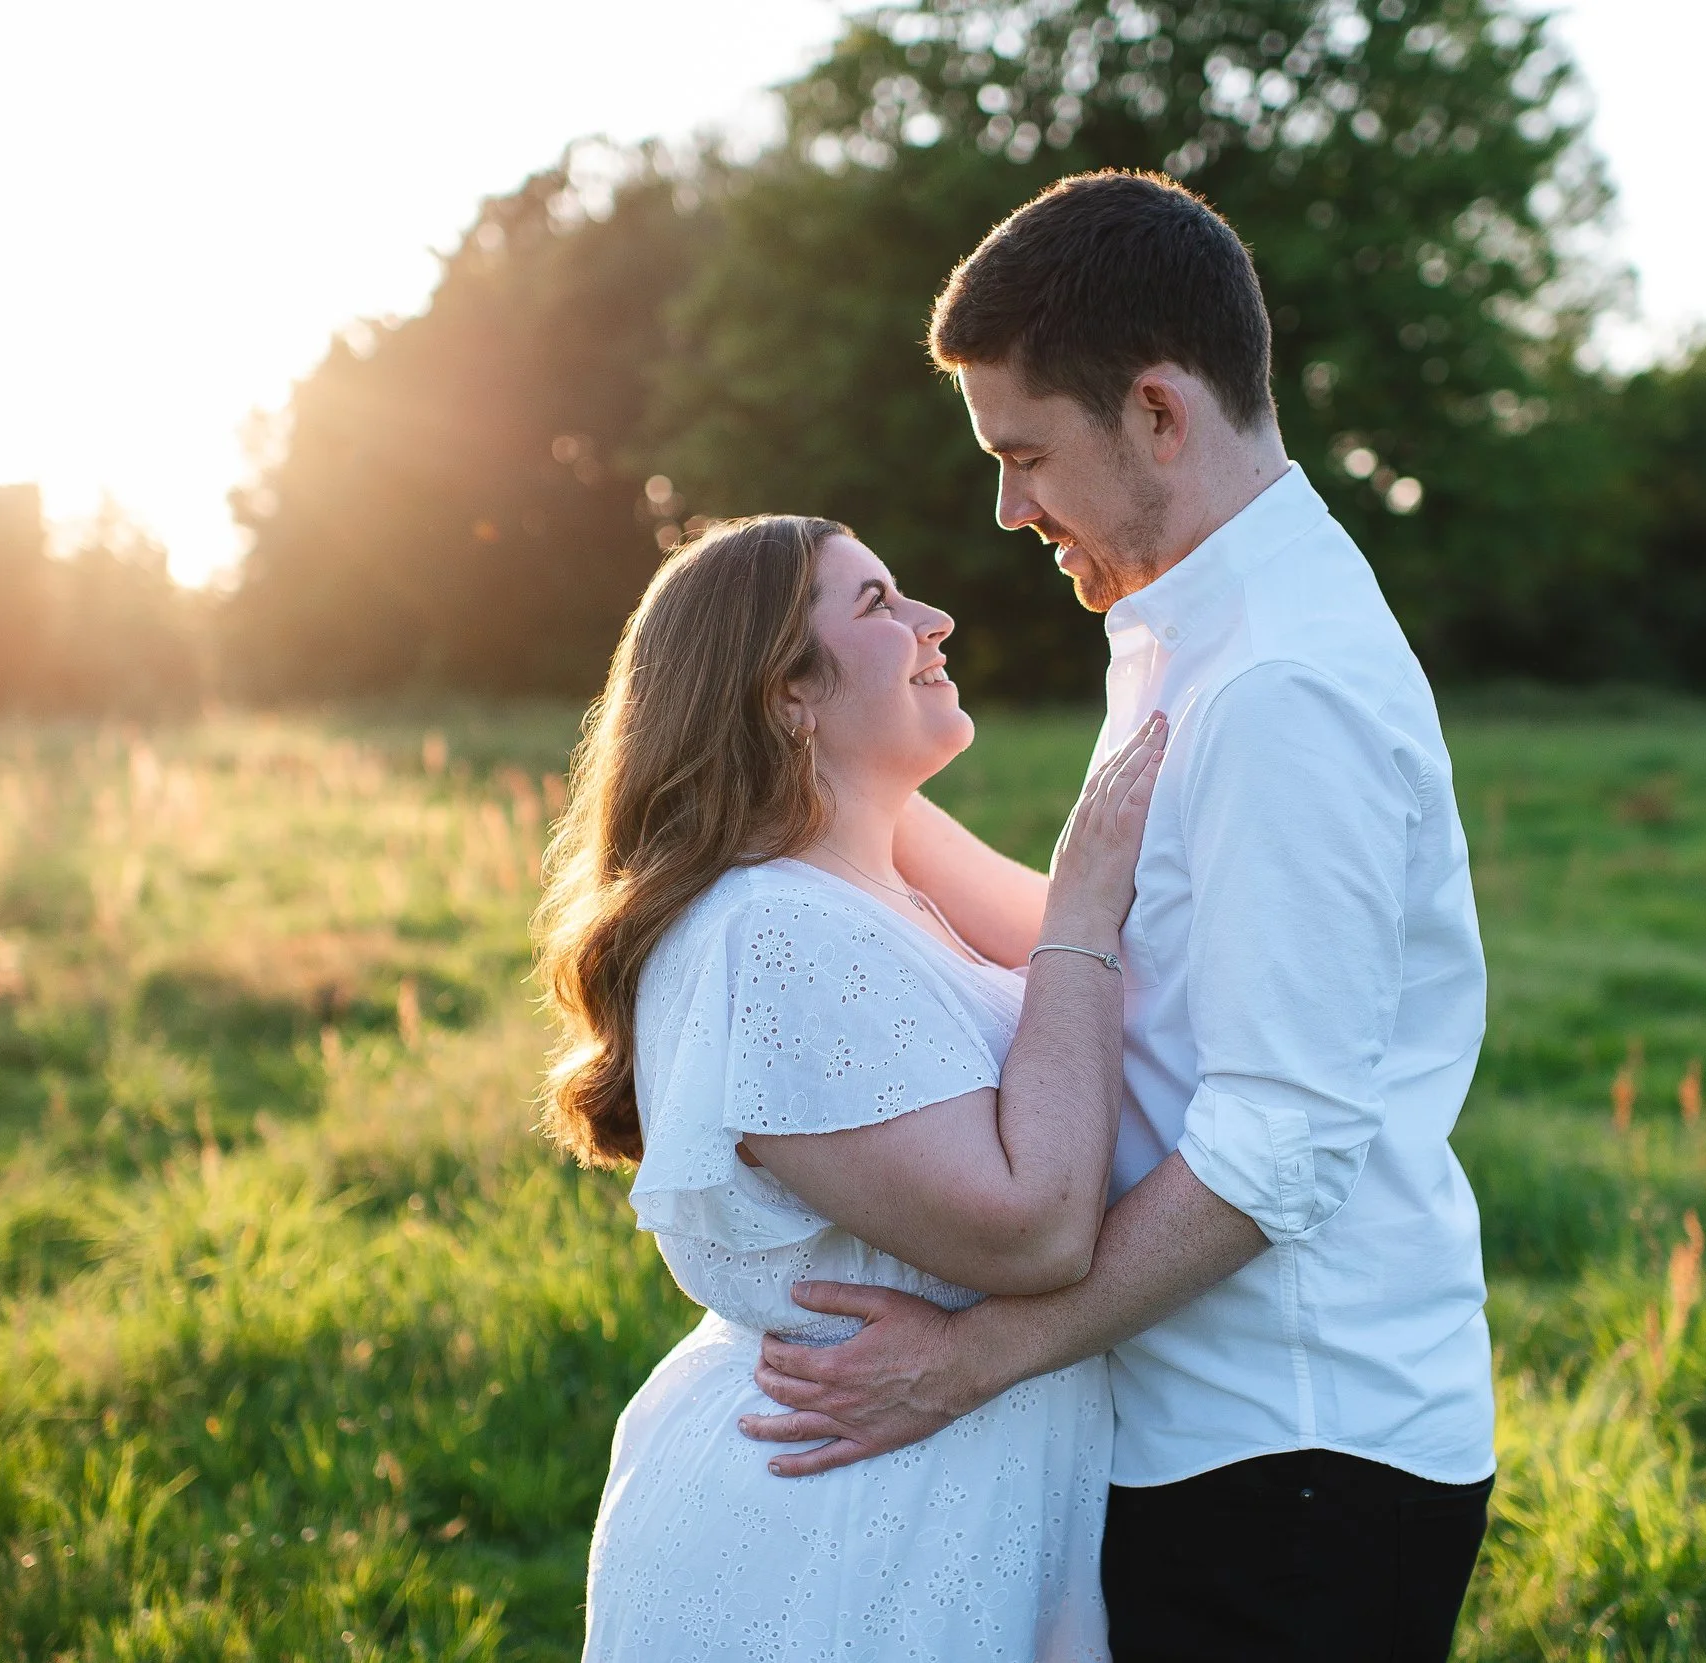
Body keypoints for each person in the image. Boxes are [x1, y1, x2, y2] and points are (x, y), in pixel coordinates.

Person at [742, 171, 1499, 1662]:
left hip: (1291, 1453)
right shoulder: (1186, 627)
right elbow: (1141, 974)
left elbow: (1281, 1139)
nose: (1008, 509)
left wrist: (970, 1359)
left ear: (1157, 411)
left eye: (1025, 455)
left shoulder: (1280, 685)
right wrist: (813, 786)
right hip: (1208, 1427)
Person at [536, 511, 1167, 1661]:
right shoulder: (774, 933)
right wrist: (1082, 904)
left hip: (927, 1506)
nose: (936, 619)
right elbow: (1034, 1229)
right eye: (879, 603)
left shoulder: (868, 888)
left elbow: (1130, 979)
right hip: (837, 1538)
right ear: (787, 693)